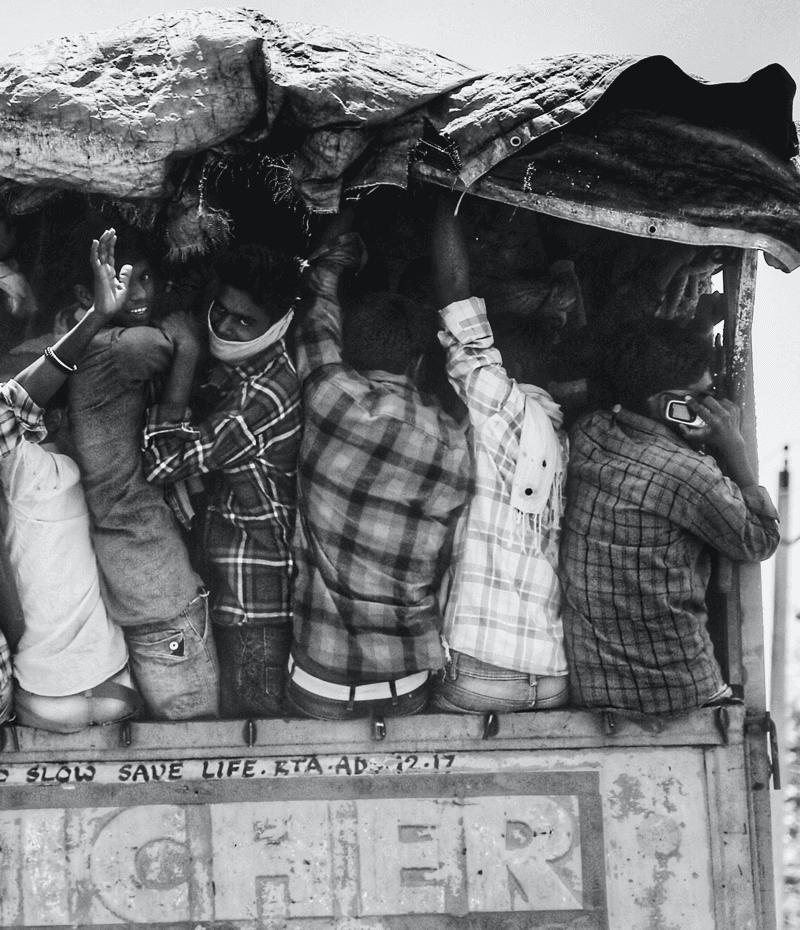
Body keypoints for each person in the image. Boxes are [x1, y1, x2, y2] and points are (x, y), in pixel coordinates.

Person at [288, 210, 471, 721]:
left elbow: (316, 315)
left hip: (318, 678)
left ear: (349, 353)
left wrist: (332, 267)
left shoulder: (328, 396)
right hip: (405, 681)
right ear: (417, 364)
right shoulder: (454, 443)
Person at [559, 320, 780, 716]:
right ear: (669, 405)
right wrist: (734, 449)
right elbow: (759, 541)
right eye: (703, 396)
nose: (715, 408)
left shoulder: (589, 432)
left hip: (592, 686)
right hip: (676, 690)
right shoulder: (688, 475)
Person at [142, 244, 303, 718]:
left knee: (256, 742)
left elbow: (161, 463)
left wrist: (187, 354)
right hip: (237, 587)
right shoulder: (247, 370)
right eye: (221, 312)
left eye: (243, 321)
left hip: (257, 600)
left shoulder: (264, 393)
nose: (225, 326)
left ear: (277, 325)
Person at [68, 229, 219, 720]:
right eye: (122, 280)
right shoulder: (121, 348)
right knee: (193, 742)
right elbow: (179, 340)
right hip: (156, 583)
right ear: (83, 295)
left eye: (147, 279)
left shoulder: (77, 342)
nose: (138, 294)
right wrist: (191, 349)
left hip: (131, 575)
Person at [430, 192, 570, 715]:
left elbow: (457, 307)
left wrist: (442, 201)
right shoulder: (565, 437)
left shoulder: (504, 411)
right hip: (552, 675)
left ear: (505, 369)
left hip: (482, 668)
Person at [1, 251, 140, 731]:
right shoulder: (94, 470)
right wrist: (101, 316)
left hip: (45, 691)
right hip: (113, 679)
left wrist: (97, 315)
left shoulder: (19, 467)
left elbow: (20, 397)